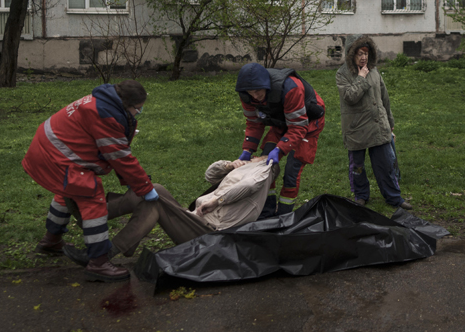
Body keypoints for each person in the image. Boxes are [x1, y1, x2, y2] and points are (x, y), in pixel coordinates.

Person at [22, 80, 159, 283]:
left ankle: (51, 240)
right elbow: (119, 156)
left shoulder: (103, 101)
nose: (137, 113)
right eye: (137, 110)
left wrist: (130, 179)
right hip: (55, 156)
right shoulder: (105, 115)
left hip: (46, 150)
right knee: (91, 197)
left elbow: (113, 150)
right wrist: (144, 187)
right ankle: (99, 262)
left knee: (67, 191)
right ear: (127, 104)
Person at [62, 156, 280, 266]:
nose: (252, 158)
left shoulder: (264, 171)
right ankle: (96, 217)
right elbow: (209, 175)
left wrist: (217, 201)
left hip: (210, 236)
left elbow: (249, 185)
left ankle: (103, 253)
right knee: (152, 191)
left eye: (255, 158)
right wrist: (228, 166)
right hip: (198, 223)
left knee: (154, 199)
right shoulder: (250, 171)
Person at [234, 62, 326, 217]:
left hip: (307, 123)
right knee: (265, 166)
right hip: (280, 121)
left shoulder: (291, 88)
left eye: (258, 91)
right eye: (251, 92)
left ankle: (284, 215)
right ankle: (266, 211)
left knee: (292, 170)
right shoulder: (247, 95)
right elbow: (254, 123)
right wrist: (247, 149)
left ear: (266, 85)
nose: (255, 96)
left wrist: (280, 149)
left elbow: (298, 127)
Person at [336, 36, 412, 210]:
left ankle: (394, 198)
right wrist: (361, 78)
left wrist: (390, 122)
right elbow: (350, 97)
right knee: (358, 167)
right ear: (351, 54)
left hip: (378, 126)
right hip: (356, 128)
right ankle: (361, 196)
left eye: (366, 53)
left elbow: (384, 97)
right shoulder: (342, 74)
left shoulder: (374, 70)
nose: (364, 57)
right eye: (360, 53)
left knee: (385, 164)